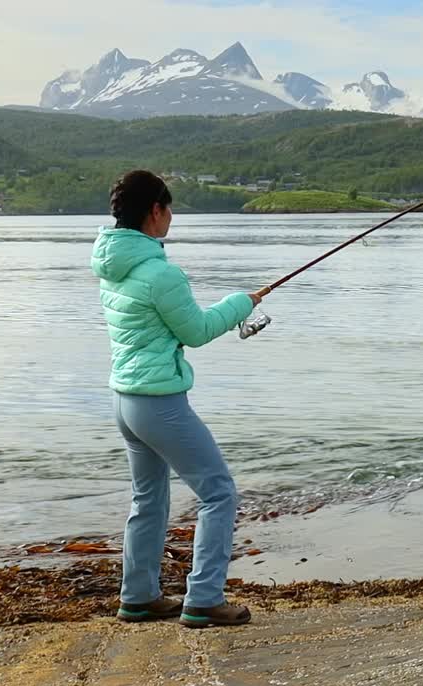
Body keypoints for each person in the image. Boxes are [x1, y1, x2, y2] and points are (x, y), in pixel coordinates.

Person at [90, 169, 265, 628]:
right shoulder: (160, 272)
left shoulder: (113, 265)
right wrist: (241, 302)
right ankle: (204, 599)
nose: (171, 219)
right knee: (219, 492)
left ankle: (140, 597)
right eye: (169, 210)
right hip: (159, 404)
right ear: (155, 211)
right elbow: (198, 331)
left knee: (148, 499)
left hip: (125, 401)